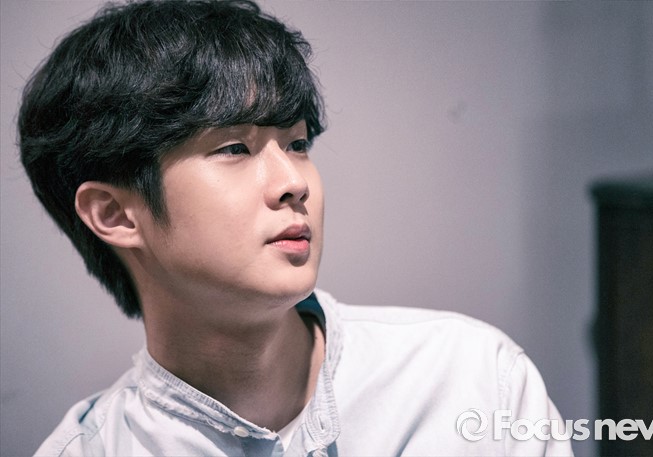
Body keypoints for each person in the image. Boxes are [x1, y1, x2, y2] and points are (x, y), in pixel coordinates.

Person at [19, 1, 572, 456]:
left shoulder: (471, 381)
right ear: (114, 214)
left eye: (298, 143)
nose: (294, 182)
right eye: (234, 148)